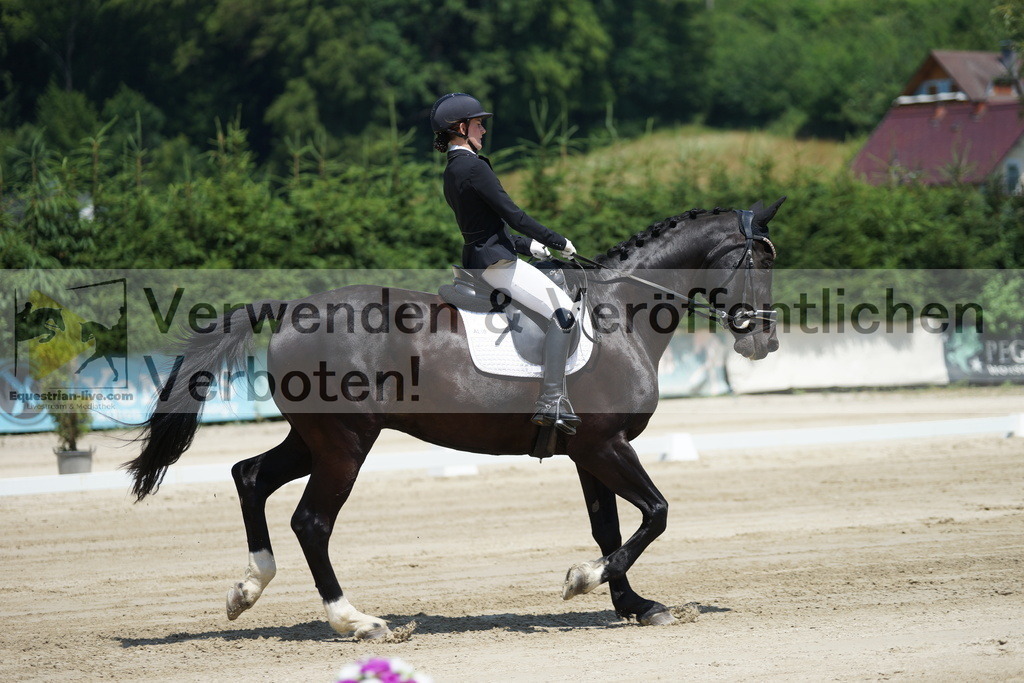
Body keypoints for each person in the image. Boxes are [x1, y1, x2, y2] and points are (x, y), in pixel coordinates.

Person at [430, 92, 581, 435]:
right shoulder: (472, 167)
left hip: (483, 257)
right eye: (479, 124)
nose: (483, 130)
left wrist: (527, 245)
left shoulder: (453, 169)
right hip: (496, 265)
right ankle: (551, 400)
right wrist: (557, 240)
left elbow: (482, 227)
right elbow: (513, 214)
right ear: (460, 127)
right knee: (564, 313)